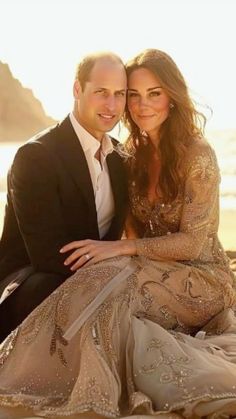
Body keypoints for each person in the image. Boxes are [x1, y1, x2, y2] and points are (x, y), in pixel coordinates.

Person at [0, 49, 236, 419]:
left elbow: (188, 241)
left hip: (200, 273)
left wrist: (116, 252)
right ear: (78, 89)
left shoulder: (174, 155)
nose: (134, 105)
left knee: (116, 286)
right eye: (130, 95)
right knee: (111, 289)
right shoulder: (58, 156)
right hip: (39, 276)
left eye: (151, 93)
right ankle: (43, 376)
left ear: (172, 96)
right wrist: (110, 261)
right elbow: (47, 252)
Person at [0, 52, 128, 342]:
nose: (111, 105)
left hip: (96, 280)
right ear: (77, 90)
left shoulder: (121, 158)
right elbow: (48, 255)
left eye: (120, 94)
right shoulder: (36, 156)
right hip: (32, 284)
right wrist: (113, 269)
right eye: (101, 92)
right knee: (53, 286)